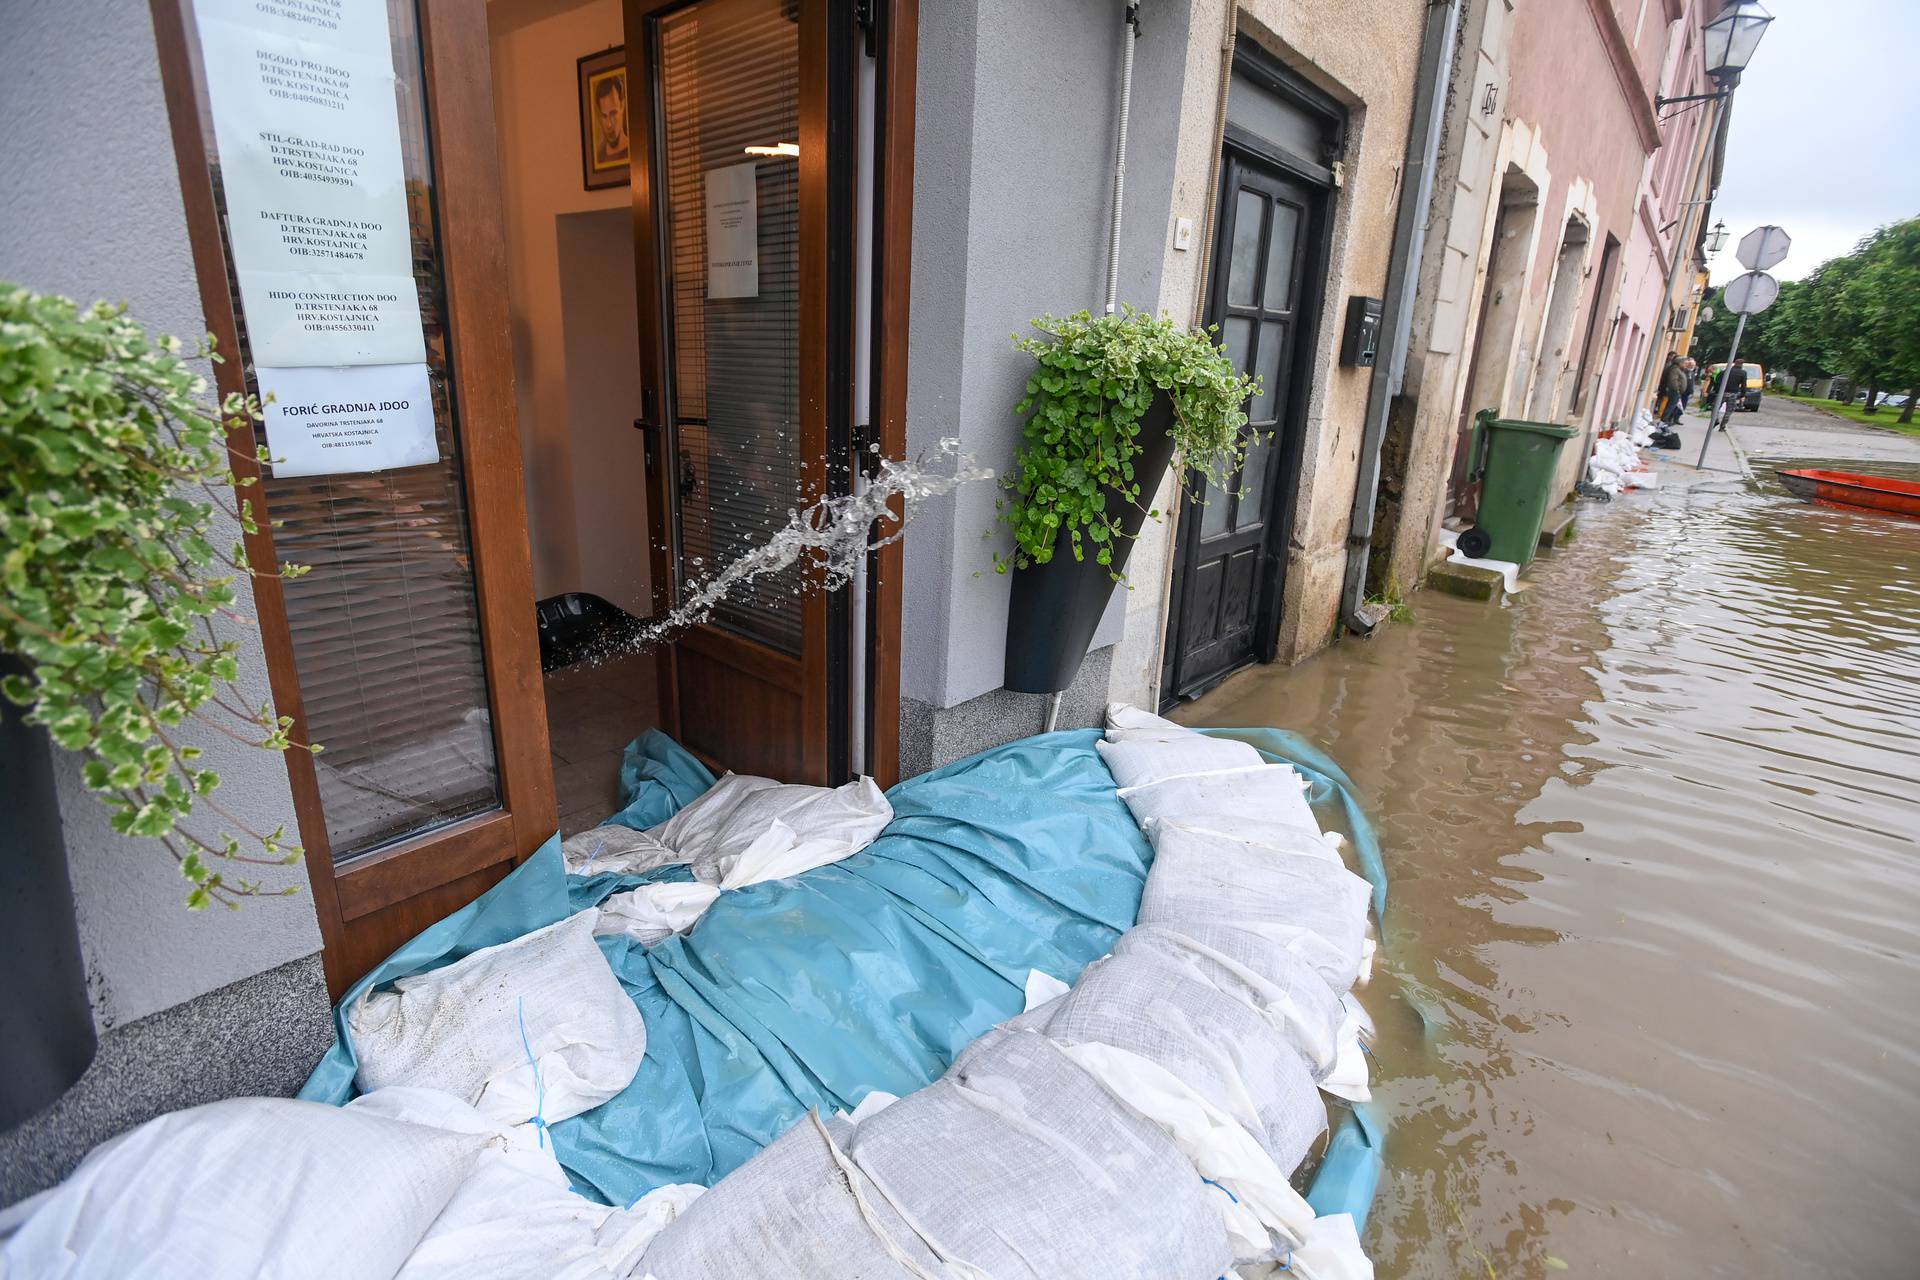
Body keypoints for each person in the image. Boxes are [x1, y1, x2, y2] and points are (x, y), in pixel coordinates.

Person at [1717, 363, 1749, 431]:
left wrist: (1717, 390)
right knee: (1729, 410)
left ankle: (1715, 420)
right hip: (1733, 393)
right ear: (1742, 365)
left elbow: (1718, 380)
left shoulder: (1725, 371)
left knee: (1716, 407)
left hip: (1722, 392)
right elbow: (1744, 385)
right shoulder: (1743, 373)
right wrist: (1743, 395)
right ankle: (1722, 426)